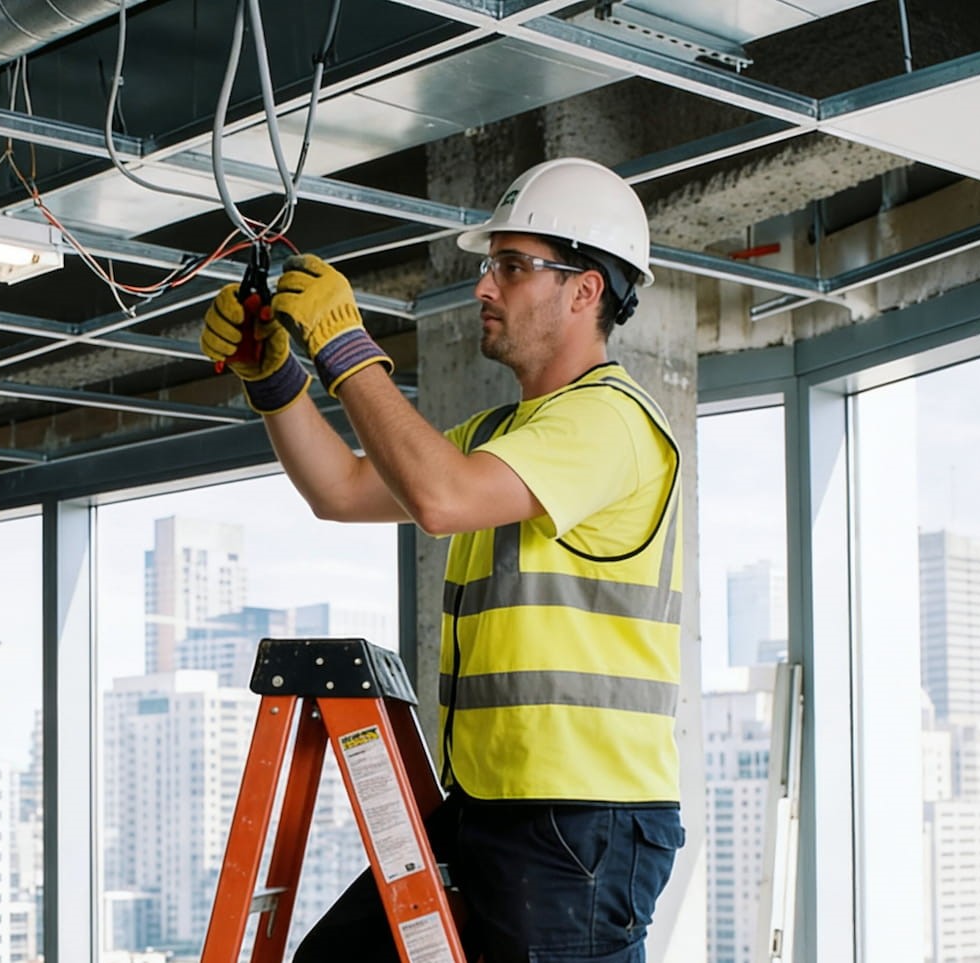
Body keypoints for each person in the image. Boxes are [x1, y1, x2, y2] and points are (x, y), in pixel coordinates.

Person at [201, 157, 687, 963]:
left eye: (512, 266)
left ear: (585, 290)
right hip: (490, 808)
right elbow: (343, 489)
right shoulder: (499, 437)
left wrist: (345, 345)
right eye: (489, 266)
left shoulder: (611, 422)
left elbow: (441, 498)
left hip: (579, 825)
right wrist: (275, 378)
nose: (484, 287)